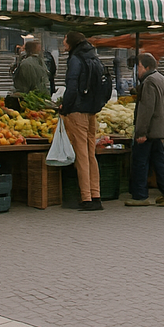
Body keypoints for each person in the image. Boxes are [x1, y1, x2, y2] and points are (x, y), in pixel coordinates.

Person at [125, 53, 164, 207]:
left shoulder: (149, 81)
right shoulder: (161, 78)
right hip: (159, 129)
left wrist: (141, 132)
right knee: (159, 161)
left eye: (139, 67)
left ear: (147, 67)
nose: (137, 70)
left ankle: (140, 196)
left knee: (140, 162)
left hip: (149, 131)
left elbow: (146, 109)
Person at [59, 31, 103, 210]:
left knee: (82, 156)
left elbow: (71, 87)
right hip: (92, 111)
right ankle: (96, 194)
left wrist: (65, 107)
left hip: (78, 111)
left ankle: (86, 198)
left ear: (71, 42)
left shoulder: (76, 59)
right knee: (91, 154)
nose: (63, 43)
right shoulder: (93, 57)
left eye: (64, 40)